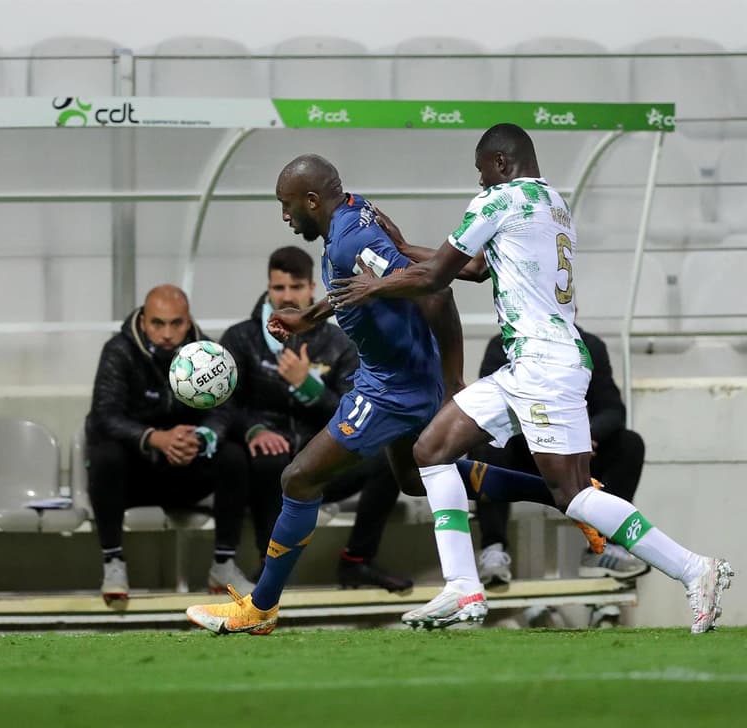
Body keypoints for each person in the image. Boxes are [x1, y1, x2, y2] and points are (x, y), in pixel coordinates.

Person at [326, 123, 732, 633]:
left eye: (481, 173)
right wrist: (404, 246)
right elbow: (474, 270)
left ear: (500, 162)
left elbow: (437, 279)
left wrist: (375, 287)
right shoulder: (552, 203)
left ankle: (695, 569)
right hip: (530, 362)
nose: (479, 185)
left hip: (543, 366)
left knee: (574, 495)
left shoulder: (498, 200)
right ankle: (462, 589)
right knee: (431, 450)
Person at [186, 154, 473, 636]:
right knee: (417, 477)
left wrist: (453, 384)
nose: (284, 216)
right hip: (400, 378)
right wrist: (311, 317)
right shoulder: (354, 210)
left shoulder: (351, 237)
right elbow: (367, 287)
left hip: (391, 389)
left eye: (287, 205)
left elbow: (435, 294)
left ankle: (261, 606)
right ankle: (560, 492)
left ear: (312, 200)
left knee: (297, 479)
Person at [220, 245, 412, 592]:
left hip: (323, 459)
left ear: (311, 288)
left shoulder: (340, 342)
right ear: (268, 288)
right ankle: (269, 566)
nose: (287, 296)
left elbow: (352, 409)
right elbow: (225, 407)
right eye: (279, 288)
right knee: (268, 459)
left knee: (390, 458)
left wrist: (309, 388)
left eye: (296, 287)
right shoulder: (241, 339)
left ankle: (358, 561)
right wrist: (254, 430)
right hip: (268, 461)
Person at [85, 284, 253, 604]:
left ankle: (223, 564)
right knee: (105, 456)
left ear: (188, 322)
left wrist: (200, 440)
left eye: (176, 323)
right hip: (137, 475)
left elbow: (224, 410)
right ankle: (113, 562)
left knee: (233, 456)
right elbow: (105, 415)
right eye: (158, 323)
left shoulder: (207, 354)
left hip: (186, 468)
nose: (166, 333)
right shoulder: (119, 351)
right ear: (144, 321)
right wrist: (155, 439)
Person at [473, 326, 650, 587]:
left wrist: (585, 434)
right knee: (485, 445)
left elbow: (613, 410)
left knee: (629, 444)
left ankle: (604, 550)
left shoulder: (589, 346)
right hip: (525, 453)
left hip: (577, 457)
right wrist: (552, 437)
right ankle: (493, 549)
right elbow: (491, 410)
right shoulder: (504, 345)